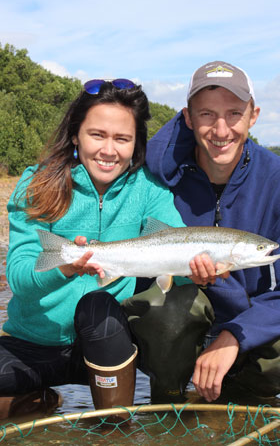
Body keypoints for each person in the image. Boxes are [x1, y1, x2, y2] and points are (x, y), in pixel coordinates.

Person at [0, 78, 214, 419]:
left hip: (110, 346)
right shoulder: (36, 184)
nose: (109, 150)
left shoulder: (149, 190)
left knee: (97, 304)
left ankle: (115, 428)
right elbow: (20, 277)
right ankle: (39, 402)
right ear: (75, 135)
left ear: (136, 143)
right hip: (32, 344)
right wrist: (64, 267)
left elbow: (175, 258)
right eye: (97, 135)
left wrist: (200, 275)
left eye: (122, 139)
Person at [140, 60, 280, 403]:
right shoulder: (157, 179)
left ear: (253, 116)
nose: (222, 129)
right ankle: (168, 401)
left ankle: (232, 398)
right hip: (179, 325)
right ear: (188, 118)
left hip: (247, 327)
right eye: (207, 114)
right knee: (162, 304)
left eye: (234, 113)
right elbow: (137, 275)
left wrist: (234, 337)